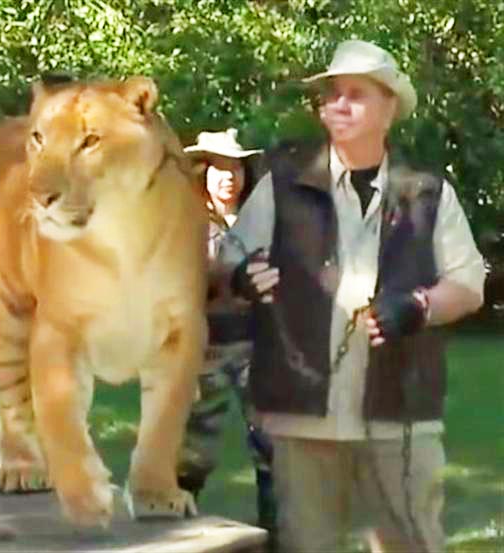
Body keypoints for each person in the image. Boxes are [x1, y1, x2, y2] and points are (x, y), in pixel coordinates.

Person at [220, 40, 486, 552]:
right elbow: (227, 257)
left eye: (354, 95)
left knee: (412, 545)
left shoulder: (428, 192)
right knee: (305, 546)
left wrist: (419, 306)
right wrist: (241, 277)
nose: (336, 105)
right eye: (330, 95)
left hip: (400, 416)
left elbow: (468, 284)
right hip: (301, 413)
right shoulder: (282, 185)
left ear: (389, 109)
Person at [177, 129, 277, 533]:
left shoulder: (264, 219)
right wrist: (230, 274)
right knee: (192, 454)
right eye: (217, 168)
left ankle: (277, 539)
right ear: (202, 173)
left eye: (234, 167)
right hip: (208, 350)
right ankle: (170, 532)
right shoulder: (188, 222)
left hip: (261, 349)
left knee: (272, 449)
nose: (227, 177)